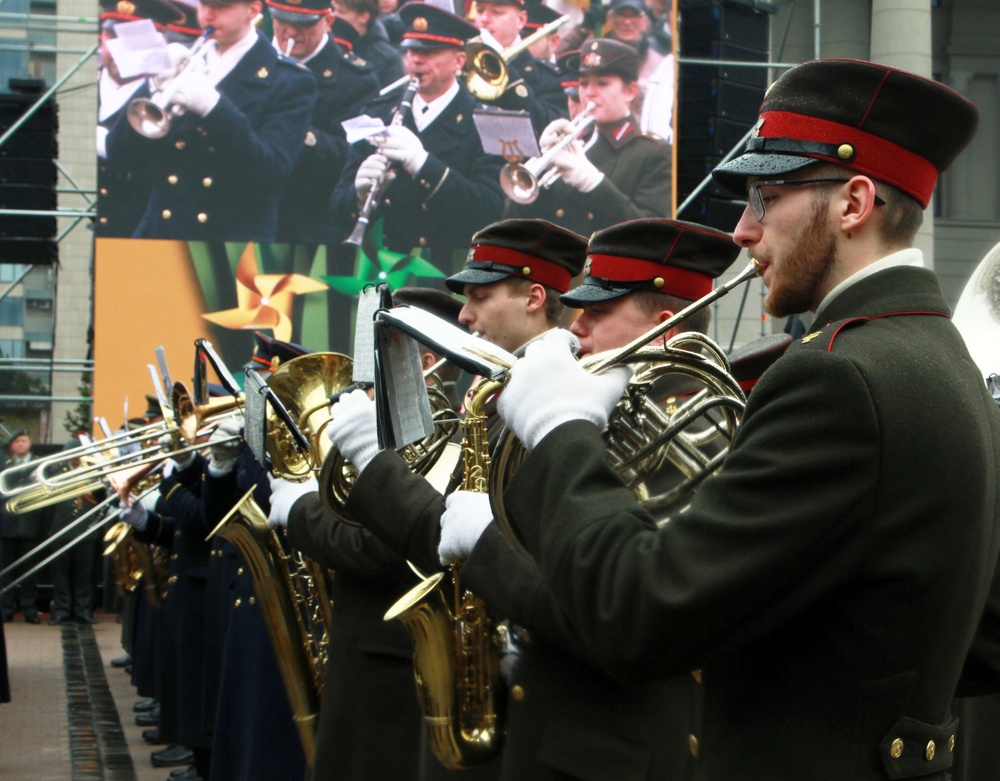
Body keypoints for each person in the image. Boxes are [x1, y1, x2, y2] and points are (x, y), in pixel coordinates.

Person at [485, 58, 1000, 781]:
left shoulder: (835, 375)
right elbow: (986, 639)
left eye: (765, 198)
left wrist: (560, 427)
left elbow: (637, 615)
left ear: (853, 203)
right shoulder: (945, 360)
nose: (741, 231)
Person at [283, 221, 717, 780]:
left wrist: (475, 539)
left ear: (664, 327)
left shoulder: (691, 430)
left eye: (599, 312)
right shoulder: (595, 408)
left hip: (606, 752)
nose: (576, 326)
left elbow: (612, 604)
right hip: (535, 719)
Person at [265, 293, 473, 781]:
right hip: (366, 650)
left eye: (380, 351)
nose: (365, 375)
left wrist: (301, 512)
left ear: (423, 360)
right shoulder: (398, 429)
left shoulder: (441, 432)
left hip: (394, 666)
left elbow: (382, 548)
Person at [105, 0, 318, 241]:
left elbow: (270, 176)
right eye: (204, 4)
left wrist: (214, 109)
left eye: (221, 6)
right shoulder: (186, 59)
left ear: (253, 9)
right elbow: (119, 155)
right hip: (159, 235)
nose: (208, 15)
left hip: (228, 247)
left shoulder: (289, 81)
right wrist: (152, 86)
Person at [331, 2, 506, 273]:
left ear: (459, 61)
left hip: (448, 270)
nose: (415, 60)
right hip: (382, 268)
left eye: (429, 51)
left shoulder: (488, 122)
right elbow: (336, 208)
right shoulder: (378, 110)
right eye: (410, 50)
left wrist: (424, 165)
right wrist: (357, 193)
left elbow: (491, 212)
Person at [506, 38, 670, 235]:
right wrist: (540, 168)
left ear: (630, 91)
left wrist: (593, 184)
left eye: (602, 83)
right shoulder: (575, 142)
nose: (589, 93)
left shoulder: (653, 153)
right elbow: (513, 223)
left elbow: (652, 236)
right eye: (583, 83)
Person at [267, 0, 379, 244]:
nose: (291, 32)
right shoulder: (254, 61)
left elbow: (352, 157)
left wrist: (297, 131)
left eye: (303, 24)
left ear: (328, 21)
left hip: (310, 224)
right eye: (282, 21)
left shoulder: (356, 79)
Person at [468, 0, 567, 133]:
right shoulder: (464, 66)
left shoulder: (548, 77)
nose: (484, 19)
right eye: (479, 11)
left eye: (496, 12)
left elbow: (550, 129)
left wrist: (500, 64)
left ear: (521, 19)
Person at [46, 438, 102, 625]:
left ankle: (83, 610)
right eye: (72, 455)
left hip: (86, 529)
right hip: (61, 529)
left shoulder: (94, 471)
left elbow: (102, 498)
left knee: (84, 575)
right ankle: (62, 610)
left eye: (79, 454)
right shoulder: (55, 472)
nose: (76, 458)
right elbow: (47, 504)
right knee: (61, 574)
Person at [0, 430, 46, 624]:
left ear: (29, 444)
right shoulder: (5, 464)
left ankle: (29, 609)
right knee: (6, 570)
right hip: (7, 524)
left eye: (24, 440)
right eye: (17, 441)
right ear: (12, 446)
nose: (20, 444)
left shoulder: (39, 464)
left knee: (29, 571)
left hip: (30, 524)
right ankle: (7, 608)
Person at [332, 0, 406, 88]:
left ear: (363, 16)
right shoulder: (328, 44)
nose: (333, 16)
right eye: (334, 10)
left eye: (341, 12)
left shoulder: (388, 59)